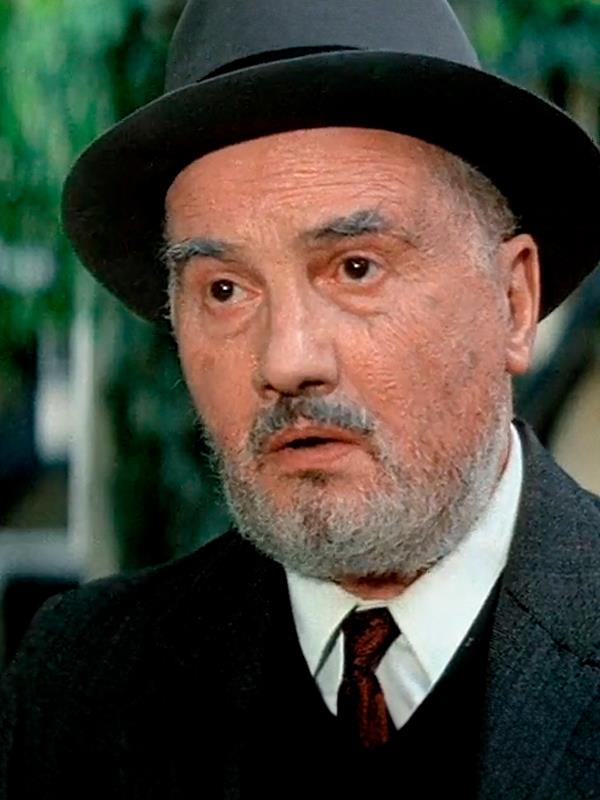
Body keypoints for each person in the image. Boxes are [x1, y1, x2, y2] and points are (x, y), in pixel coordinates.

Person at [1, 0, 599, 797]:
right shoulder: (78, 683)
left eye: (355, 268)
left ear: (513, 302)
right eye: (224, 289)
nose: (287, 361)